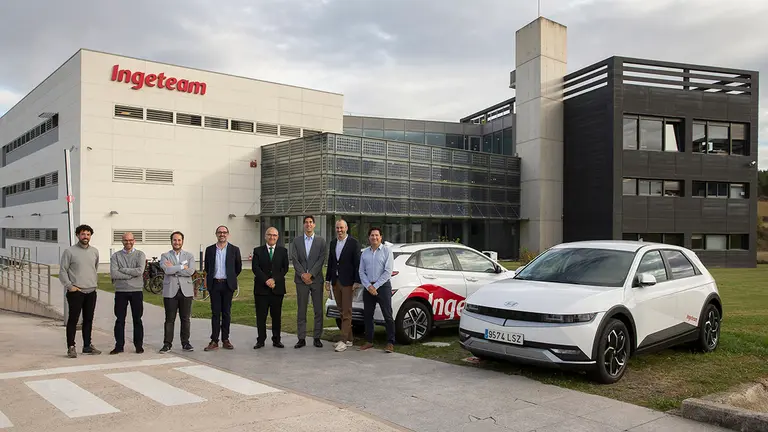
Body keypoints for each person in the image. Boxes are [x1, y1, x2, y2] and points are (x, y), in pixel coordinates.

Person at [59, 224, 101, 358]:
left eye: (88, 234)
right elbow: (62, 271)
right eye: (83, 234)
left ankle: (87, 346)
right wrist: (70, 286)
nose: (85, 237)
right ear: (78, 235)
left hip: (91, 291)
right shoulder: (69, 252)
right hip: (76, 292)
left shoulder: (95, 251)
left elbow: (94, 268)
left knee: (88, 320)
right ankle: (71, 347)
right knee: (73, 320)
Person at [290, 215, 327, 348]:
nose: (308, 224)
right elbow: (295, 259)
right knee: (302, 310)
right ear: (303, 225)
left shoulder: (321, 241)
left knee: (318, 310)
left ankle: (317, 337)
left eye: (311, 222)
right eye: (306, 222)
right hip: (301, 281)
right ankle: (301, 338)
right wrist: (303, 275)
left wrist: (311, 274)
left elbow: (321, 259)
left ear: (314, 225)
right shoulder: (297, 241)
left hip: (316, 280)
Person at [204, 225, 242, 351]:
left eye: (224, 232)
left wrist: (230, 277)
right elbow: (207, 268)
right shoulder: (209, 250)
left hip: (227, 285)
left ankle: (225, 339)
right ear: (216, 234)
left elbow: (238, 268)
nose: (222, 234)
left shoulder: (234, 250)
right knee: (215, 313)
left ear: (228, 234)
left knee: (226, 313)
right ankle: (214, 340)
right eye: (220, 232)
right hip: (214, 284)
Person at [325, 219, 361, 352]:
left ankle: (343, 340)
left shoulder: (353, 243)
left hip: (348, 282)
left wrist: (357, 281)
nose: (339, 230)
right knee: (341, 311)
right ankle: (350, 339)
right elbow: (331, 261)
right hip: (336, 281)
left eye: (341, 228)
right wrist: (328, 279)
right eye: (337, 228)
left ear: (346, 228)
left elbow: (357, 263)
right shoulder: (333, 243)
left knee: (347, 311)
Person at [358, 227, 395, 353]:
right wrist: (369, 286)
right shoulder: (365, 253)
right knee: (368, 315)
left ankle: (390, 342)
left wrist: (376, 286)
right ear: (369, 237)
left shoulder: (387, 251)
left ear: (381, 237)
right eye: (372, 235)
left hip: (383, 286)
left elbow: (388, 271)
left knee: (387, 315)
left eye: (377, 235)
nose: (374, 237)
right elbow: (361, 272)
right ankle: (369, 341)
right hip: (368, 287)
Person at [109, 232, 146, 355]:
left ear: (134, 241)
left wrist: (123, 270)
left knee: (137, 319)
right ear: (122, 241)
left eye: (130, 240)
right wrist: (131, 274)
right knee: (120, 320)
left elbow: (140, 271)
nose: (128, 242)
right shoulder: (116, 256)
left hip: (136, 291)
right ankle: (119, 346)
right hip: (121, 291)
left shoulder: (140, 254)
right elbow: (114, 274)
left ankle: (139, 345)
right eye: (125, 240)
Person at [252, 227, 289, 349]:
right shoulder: (258, 251)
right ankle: (260, 340)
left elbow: (285, 269)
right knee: (261, 316)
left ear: (278, 237)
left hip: (277, 289)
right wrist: (266, 280)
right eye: (269, 235)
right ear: (265, 236)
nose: (272, 237)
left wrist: (274, 279)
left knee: (276, 316)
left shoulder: (283, 251)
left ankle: (276, 339)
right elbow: (255, 268)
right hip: (261, 289)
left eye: (274, 235)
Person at [159, 231, 196, 353]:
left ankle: (186, 343)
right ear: (171, 241)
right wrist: (181, 267)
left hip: (186, 291)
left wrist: (173, 268)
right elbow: (166, 270)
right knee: (170, 319)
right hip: (170, 291)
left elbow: (190, 271)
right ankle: (167, 344)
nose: (177, 242)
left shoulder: (189, 256)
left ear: (182, 241)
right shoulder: (165, 256)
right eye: (175, 240)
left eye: (179, 240)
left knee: (185, 318)